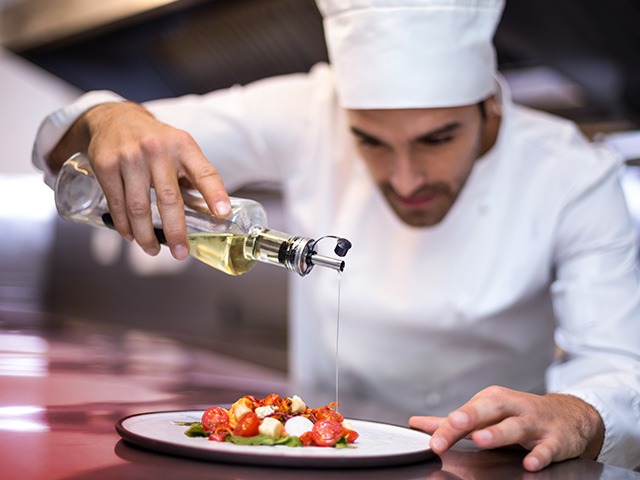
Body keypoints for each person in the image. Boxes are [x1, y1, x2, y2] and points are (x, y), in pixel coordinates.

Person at [33, 0, 640, 472]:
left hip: (490, 469)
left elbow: (619, 366)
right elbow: (75, 153)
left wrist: (578, 412)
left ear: (492, 106)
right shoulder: (309, 108)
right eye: (370, 141)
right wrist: (105, 117)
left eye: (437, 139)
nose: (404, 180)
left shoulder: (575, 174)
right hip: (316, 454)